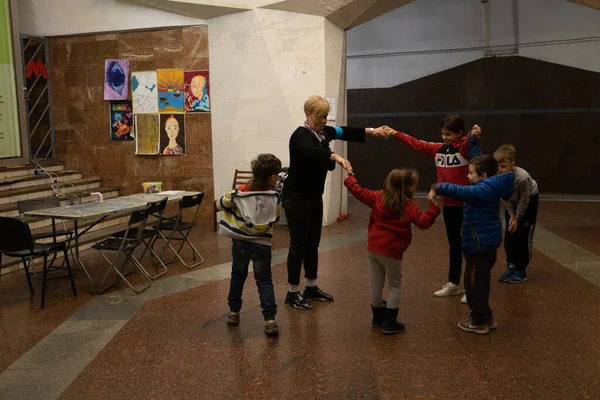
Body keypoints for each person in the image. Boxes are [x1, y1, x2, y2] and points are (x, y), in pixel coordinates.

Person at [283, 95, 388, 310]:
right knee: (298, 244)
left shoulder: (324, 133)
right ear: (308, 114)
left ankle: (311, 286)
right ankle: (292, 292)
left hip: (313, 195)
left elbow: (343, 131)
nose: (323, 121)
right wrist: (336, 157)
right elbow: (313, 152)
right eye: (319, 117)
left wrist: (372, 131)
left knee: (313, 241)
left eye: (325, 117)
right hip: (296, 197)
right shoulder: (300, 136)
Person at [383, 117, 482, 301]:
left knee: (469, 246)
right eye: (442, 133)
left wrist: (474, 134)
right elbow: (416, 144)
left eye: (448, 134)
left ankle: (471, 287)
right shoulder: (439, 150)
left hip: (467, 205)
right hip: (449, 206)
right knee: (454, 245)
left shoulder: (464, 148)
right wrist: (395, 133)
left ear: (459, 133)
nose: (444, 137)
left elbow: (470, 142)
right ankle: (454, 283)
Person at [344, 168, 440, 334]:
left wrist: (349, 178)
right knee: (394, 285)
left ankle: (377, 318)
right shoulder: (409, 206)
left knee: (376, 283)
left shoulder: (378, 197)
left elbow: (358, 192)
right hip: (393, 252)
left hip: (373, 248)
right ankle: (390, 323)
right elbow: (423, 223)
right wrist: (433, 208)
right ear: (410, 188)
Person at [428, 155, 514, 335]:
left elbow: (462, 192)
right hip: (485, 243)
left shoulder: (482, 190)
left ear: (483, 175)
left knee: (474, 286)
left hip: (479, 245)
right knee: (479, 283)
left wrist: (438, 187)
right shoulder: (490, 185)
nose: (468, 177)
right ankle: (487, 316)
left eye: (471, 173)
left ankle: (478, 322)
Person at [216, 154, 283, 336]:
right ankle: (270, 320)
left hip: (241, 242)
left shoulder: (240, 192)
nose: (278, 177)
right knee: (264, 280)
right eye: (277, 174)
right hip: (262, 244)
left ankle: (233, 313)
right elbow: (275, 220)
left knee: (238, 275)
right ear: (270, 177)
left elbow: (219, 204)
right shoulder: (275, 197)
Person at [494, 145, 539, 283]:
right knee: (510, 232)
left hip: (528, 200)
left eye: (504, 166)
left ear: (512, 164)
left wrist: (518, 218)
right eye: (499, 166)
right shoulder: (499, 177)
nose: (500, 170)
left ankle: (521, 269)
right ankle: (511, 265)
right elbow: (506, 198)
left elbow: (524, 200)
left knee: (522, 233)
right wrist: (512, 217)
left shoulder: (522, 178)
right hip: (512, 201)